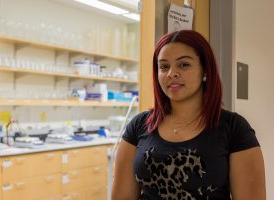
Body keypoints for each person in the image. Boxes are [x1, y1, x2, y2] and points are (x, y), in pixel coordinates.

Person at [111, 30, 266, 200]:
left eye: (183, 65)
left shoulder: (234, 129)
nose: (171, 73)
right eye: (164, 66)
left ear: (205, 71)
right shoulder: (139, 125)